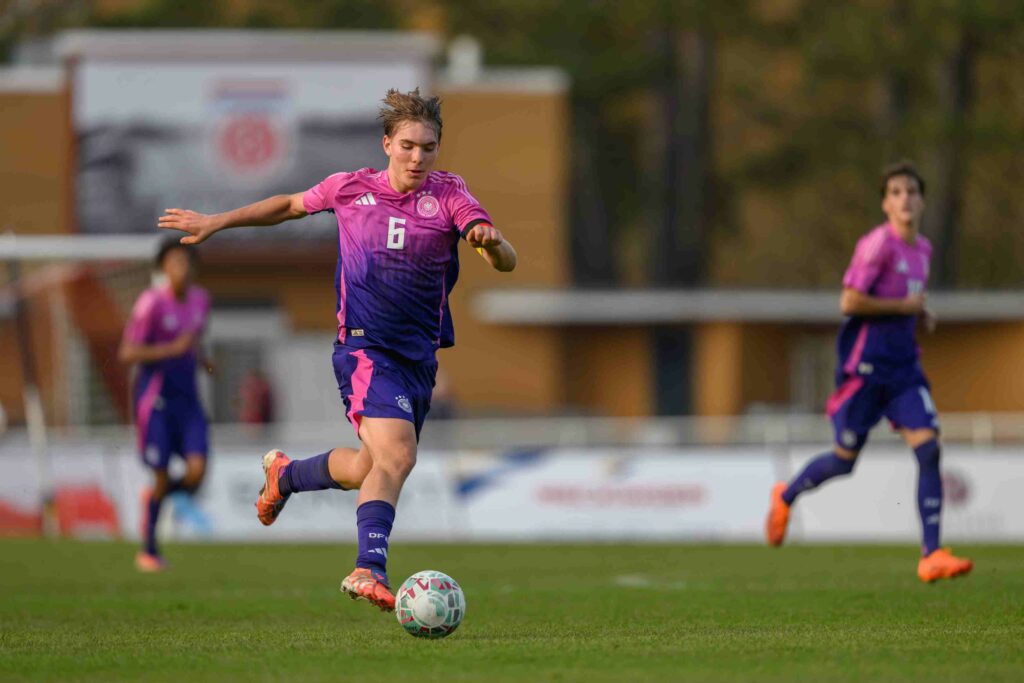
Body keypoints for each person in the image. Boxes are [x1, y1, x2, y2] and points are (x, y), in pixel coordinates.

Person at [157, 88, 517, 611]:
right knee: (398, 456)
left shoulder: (450, 194)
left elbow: (501, 257)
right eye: (410, 146)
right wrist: (217, 222)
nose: (419, 158)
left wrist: (492, 242)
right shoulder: (349, 189)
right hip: (366, 350)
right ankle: (368, 568)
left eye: (429, 148)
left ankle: (286, 474)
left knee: (364, 468)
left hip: (418, 358)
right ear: (387, 143)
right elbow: (286, 205)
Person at [765, 161, 972, 583]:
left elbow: (908, 300)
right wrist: (904, 309)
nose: (905, 199)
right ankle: (785, 496)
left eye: (912, 191)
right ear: (885, 203)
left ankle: (931, 555)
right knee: (844, 461)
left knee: (929, 449)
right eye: (895, 192)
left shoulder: (924, 250)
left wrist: (921, 314)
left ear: (922, 200)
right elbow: (850, 302)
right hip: (864, 370)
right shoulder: (877, 246)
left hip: (904, 371)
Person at [119, 238, 212, 572]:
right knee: (159, 476)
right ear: (163, 268)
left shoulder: (202, 301)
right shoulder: (151, 304)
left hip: (189, 402)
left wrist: (203, 360)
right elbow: (127, 353)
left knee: (197, 472)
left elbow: (194, 342)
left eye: (186, 261)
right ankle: (149, 550)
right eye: (175, 262)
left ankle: (156, 498)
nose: (182, 268)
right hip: (156, 401)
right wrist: (171, 350)